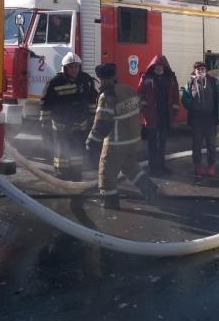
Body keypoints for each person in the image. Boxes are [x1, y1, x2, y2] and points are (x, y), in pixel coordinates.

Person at [86, 63, 159, 210]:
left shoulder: (107, 96)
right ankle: (150, 190)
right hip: (133, 141)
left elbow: (102, 123)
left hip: (116, 144)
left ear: (102, 79)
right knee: (131, 167)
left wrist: (91, 142)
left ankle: (110, 204)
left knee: (106, 174)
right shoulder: (129, 90)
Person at [39, 52, 98, 181]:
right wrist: (45, 123)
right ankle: (61, 175)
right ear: (64, 68)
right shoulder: (55, 82)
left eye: (76, 66)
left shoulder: (85, 80)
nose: (74, 70)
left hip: (80, 124)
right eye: (71, 67)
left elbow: (92, 100)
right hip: (61, 126)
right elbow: (45, 103)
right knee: (61, 153)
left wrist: (93, 118)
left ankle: (76, 174)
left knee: (78, 151)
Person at [181, 61, 219, 179]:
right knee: (196, 145)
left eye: (202, 69)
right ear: (195, 71)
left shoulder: (214, 83)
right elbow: (185, 98)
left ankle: (211, 166)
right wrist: (190, 104)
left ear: (206, 70)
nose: (200, 71)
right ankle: (198, 166)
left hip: (210, 119)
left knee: (211, 145)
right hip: (197, 120)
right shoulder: (190, 84)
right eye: (198, 69)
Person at [137, 55, 180, 176]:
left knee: (162, 142)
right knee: (152, 143)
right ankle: (153, 168)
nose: (159, 67)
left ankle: (161, 166)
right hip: (151, 116)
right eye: (157, 65)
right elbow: (140, 93)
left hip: (165, 115)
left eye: (161, 65)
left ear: (165, 66)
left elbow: (175, 95)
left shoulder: (170, 78)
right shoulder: (146, 77)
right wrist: (144, 109)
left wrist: (174, 112)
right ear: (153, 66)